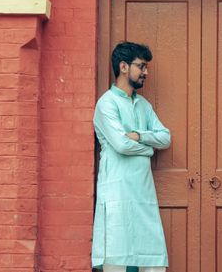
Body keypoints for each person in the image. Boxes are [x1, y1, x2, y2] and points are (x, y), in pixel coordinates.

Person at [92, 41, 171, 272]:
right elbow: (121, 144)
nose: (146, 72)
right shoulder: (106, 104)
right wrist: (147, 148)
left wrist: (138, 135)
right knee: (117, 257)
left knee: (150, 260)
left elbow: (165, 137)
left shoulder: (143, 105)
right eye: (142, 66)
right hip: (117, 190)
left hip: (143, 192)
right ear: (124, 67)